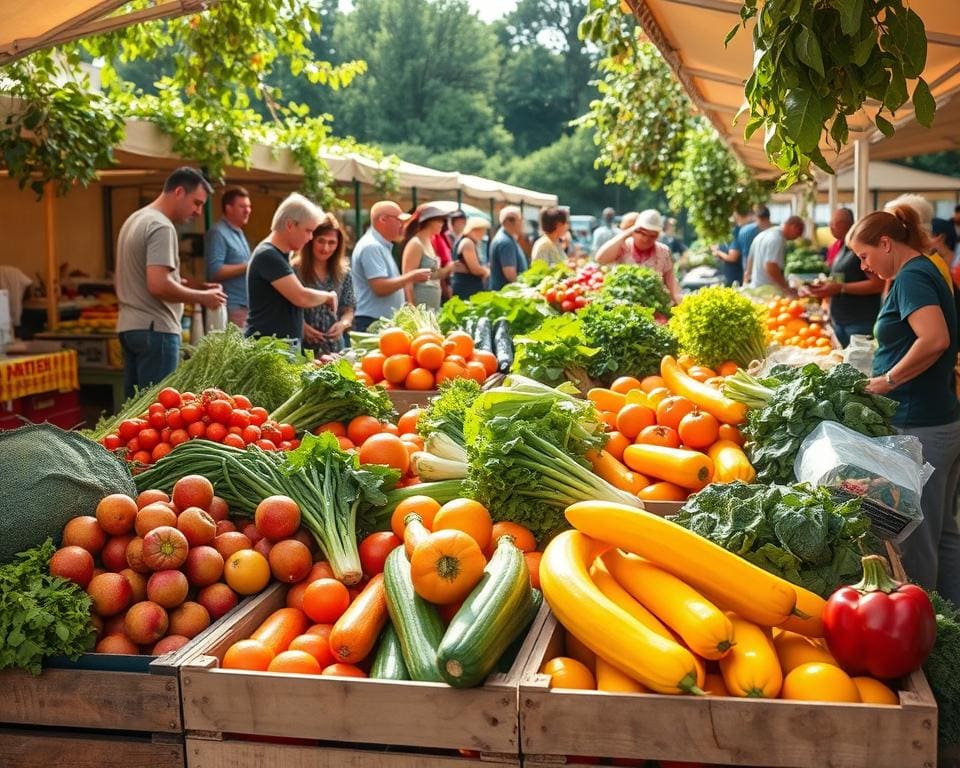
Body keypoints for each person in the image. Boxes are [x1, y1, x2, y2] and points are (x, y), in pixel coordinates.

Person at [849, 205, 960, 605]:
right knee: (943, 532)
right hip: (936, 419)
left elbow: (934, 339)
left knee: (919, 538)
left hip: (922, 427)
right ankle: (948, 619)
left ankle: (927, 628)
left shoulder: (913, 275)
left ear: (885, 243)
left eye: (865, 255)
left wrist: (887, 380)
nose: (863, 265)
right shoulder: (922, 269)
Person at [116, 167, 226, 399]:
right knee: (155, 413)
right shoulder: (162, 226)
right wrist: (202, 298)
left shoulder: (136, 219)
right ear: (178, 192)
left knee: (130, 416)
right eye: (196, 203)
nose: (198, 212)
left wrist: (194, 286)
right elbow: (158, 285)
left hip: (130, 327)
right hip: (156, 330)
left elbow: (146, 277)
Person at [245, 193, 338, 350]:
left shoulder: (279, 255)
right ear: (290, 225)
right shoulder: (268, 255)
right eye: (308, 231)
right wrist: (328, 296)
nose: (310, 238)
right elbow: (300, 297)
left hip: (279, 347)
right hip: (269, 349)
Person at [805, 208, 883, 347]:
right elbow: (844, 278)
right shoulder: (841, 247)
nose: (830, 227)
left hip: (859, 323)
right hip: (841, 321)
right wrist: (826, 287)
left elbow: (878, 284)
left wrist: (841, 288)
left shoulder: (858, 250)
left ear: (847, 224)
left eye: (835, 224)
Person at [351, 200, 431, 332]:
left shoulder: (380, 245)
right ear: (383, 219)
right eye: (399, 220)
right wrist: (411, 276)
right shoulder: (372, 246)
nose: (402, 225)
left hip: (379, 320)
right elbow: (380, 287)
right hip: (372, 321)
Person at [293, 213, 356, 356]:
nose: (326, 248)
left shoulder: (344, 273)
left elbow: (349, 309)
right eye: (321, 241)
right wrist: (302, 326)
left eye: (332, 242)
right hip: (302, 347)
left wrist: (343, 324)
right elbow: (284, 308)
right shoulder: (294, 270)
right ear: (311, 240)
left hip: (334, 348)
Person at [594, 208, 683, 304]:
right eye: (643, 233)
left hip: (653, 306)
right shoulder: (624, 246)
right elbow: (600, 259)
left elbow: (671, 283)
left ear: (657, 236)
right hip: (621, 303)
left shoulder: (663, 252)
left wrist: (678, 304)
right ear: (634, 231)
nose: (646, 239)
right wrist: (626, 233)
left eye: (652, 236)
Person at [204, 187, 252, 328]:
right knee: (235, 349)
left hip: (245, 306)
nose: (247, 210)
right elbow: (214, 271)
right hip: (231, 306)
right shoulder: (218, 233)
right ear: (228, 208)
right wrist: (249, 265)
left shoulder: (239, 232)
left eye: (249, 206)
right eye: (242, 206)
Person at [401, 204, 453, 311]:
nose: (442, 224)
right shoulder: (415, 244)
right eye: (439, 221)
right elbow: (407, 279)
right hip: (420, 303)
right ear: (429, 221)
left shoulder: (430, 241)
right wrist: (412, 307)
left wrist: (448, 270)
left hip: (432, 305)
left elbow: (433, 274)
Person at [744, 215, 805, 295]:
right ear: (793, 227)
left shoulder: (761, 235)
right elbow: (771, 267)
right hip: (769, 292)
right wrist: (787, 289)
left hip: (755, 288)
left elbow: (749, 267)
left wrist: (745, 283)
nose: (799, 236)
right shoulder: (777, 239)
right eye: (799, 232)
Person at [489, 206, 529, 290]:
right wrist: (524, 290)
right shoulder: (505, 242)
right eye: (520, 220)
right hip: (506, 294)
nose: (522, 223)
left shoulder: (507, 238)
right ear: (509, 222)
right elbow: (510, 274)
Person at [451, 217, 491, 300]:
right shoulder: (467, 242)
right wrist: (487, 272)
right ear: (475, 229)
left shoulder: (467, 241)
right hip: (467, 289)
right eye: (482, 230)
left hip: (468, 288)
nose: (483, 234)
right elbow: (475, 269)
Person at [714, 209, 753, 286]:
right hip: (731, 275)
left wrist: (717, 252)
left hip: (735, 277)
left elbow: (732, 257)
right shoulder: (729, 233)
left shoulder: (735, 232)